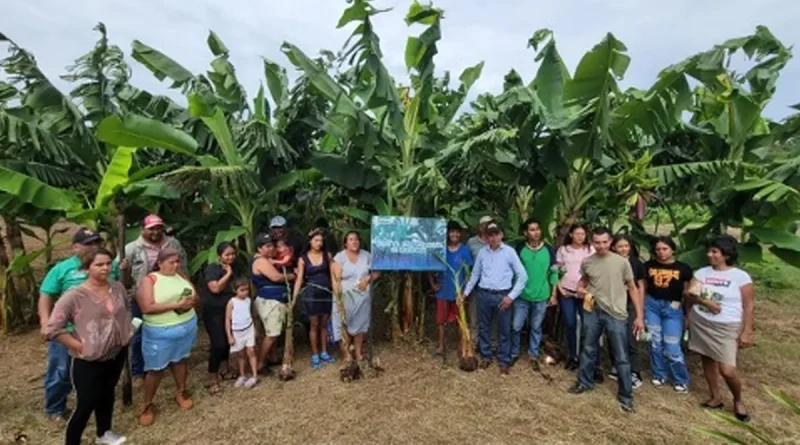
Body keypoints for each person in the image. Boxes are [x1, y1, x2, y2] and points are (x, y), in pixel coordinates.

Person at [46, 247, 132, 445]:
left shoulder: (117, 287)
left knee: (108, 392)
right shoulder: (74, 296)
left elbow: (124, 311)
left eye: (108, 264)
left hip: (116, 352)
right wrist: (78, 345)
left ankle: (104, 432)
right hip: (89, 359)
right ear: (86, 268)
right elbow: (53, 328)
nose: (105, 268)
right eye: (99, 265)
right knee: (86, 403)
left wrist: (127, 334)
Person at [38, 228, 119, 422]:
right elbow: (46, 294)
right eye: (88, 243)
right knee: (61, 370)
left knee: (97, 370)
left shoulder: (108, 265)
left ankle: (94, 404)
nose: (94, 247)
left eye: (97, 243)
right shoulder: (62, 268)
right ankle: (55, 409)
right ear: (75, 247)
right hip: (68, 331)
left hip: (100, 329)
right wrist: (45, 322)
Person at [568, 227, 644, 413]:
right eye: (597, 242)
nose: (601, 246)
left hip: (616, 313)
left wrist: (639, 315)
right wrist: (579, 287)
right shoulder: (588, 262)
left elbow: (633, 287)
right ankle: (585, 382)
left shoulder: (622, 262)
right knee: (588, 348)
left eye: (604, 242)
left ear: (610, 242)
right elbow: (584, 280)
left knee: (621, 356)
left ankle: (626, 396)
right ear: (592, 242)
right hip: (593, 310)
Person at [687, 235, 754, 422]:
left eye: (714, 252)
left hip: (727, 325)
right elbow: (691, 295)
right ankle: (715, 397)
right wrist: (703, 302)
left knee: (727, 370)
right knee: (707, 359)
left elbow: (749, 305)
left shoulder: (740, 277)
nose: (710, 255)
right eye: (709, 251)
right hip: (702, 321)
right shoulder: (702, 273)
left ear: (726, 255)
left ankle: (738, 400)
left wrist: (747, 330)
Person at [119, 214, 188, 386]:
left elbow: (183, 266)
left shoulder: (172, 243)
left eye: (158, 227)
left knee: (171, 329)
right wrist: (125, 270)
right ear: (142, 229)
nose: (156, 231)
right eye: (151, 228)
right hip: (140, 296)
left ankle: (168, 363)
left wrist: (187, 286)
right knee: (138, 334)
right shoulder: (131, 249)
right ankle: (137, 371)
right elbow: (122, 278)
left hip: (168, 294)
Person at [135, 248, 198, 426]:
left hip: (186, 325)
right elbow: (147, 307)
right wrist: (177, 304)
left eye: (177, 261)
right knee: (156, 369)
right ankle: (147, 404)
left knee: (181, 360)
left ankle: (180, 391)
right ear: (160, 263)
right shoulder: (150, 280)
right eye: (171, 262)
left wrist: (191, 302)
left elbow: (195, 295)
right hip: (160, 331)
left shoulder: (182, 276)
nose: (176, 265)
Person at [462, 220, 527, 375]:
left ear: (501, 235)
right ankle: (486, 356)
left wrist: (511, 296)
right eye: (490, 235)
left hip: (502, 296)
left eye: (496, 234)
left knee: (504, 329)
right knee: (483, 327)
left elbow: (522, 276)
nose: (493, 238)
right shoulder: (483, 253)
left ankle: (504, 361)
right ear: (486, 237)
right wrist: (465, 293)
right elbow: (475, 274)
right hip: (483, 294)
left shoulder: (509, 252)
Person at [643, 236, 693, 393]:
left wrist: (687, 314)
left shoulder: (683, 269)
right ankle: (659, 373)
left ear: (672, 249)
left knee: (672, 345)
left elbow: (687, 294)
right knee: (654, 342)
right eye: (658, 249)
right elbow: (643, 288)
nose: (661, 252)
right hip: (652, 305)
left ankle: (680, 378)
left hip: (673, 307)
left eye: (665, 249)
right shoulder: (648, 266)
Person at [511, 218, 558, 371]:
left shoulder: (549, 249)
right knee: (516, 326)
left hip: (542, 295)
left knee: (536, 327)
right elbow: (514, 272)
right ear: (525, 233)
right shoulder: (519, 249)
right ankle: (514, 352)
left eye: (537, 229)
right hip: (522, 295)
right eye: (531, 230)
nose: (535, 232)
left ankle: (533, 354)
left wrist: (553, 294)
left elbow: (554, 273)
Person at [331, 231, 380, 364]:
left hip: (362, 298)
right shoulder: (339, 257)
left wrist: (368, 278)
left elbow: (377, 271)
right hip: (344, 298)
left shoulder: (366, 255)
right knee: (343, 325)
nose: (354, 242)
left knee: (360, 326)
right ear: (345, 243)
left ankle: (359, 354)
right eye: (351, 240)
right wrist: (338, 299)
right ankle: (347, 355)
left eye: (356, 239)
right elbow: (335, 280)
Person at [251, 233, 296, 373]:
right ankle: (261, 363)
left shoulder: (267, 260)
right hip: (270, 301)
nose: (271, 248)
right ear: (259, 248)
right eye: (267, 246)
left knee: (273, 331)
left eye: (272, 245)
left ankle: (272, 357)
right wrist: (292, 276)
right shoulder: (261, 261)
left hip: (273, 300)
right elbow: (276, 278)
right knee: (272, 334)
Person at [428, 221, 473, 356]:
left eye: (457, 232)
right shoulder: (441, 249)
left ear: (460, 234)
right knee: (441, 321)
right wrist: (432, 284)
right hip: (442, 290)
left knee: (460, 320)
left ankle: (461, 346)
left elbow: (468, 273)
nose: (454, 234)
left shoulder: (464, 250)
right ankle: (441, 346)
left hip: (458, 292)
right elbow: (430, 267)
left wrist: (464, 291)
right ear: (447, 233)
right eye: (452, 232)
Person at [293, 229, 336, 369]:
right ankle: (315, 354)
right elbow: (299, 278)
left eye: (321, 241)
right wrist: (294, 297)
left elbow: (333, 275)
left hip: (326, 292)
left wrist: (336, 292)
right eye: (316, 240)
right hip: (311, 294)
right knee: (314, 325)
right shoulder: (303, 258)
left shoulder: (327, 255)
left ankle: (324, 351)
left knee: (324, 324)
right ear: (310, 242)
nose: (319, 243)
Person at [608, 234, 646, 388]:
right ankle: (616, 365)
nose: (623, 249)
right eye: (620, 246)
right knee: (612, 336)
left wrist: (639, 311)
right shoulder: (609, 262)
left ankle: (635, 371)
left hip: (630, 305)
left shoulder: (635, 263)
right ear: (613, 247)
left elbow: (640, 286)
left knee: (631, 339)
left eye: (626, 246)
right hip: (612, 304)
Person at [555, 224, 595, 371]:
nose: (580, 237)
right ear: (571, 234)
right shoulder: (563, 250)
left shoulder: (590, 250)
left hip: (585, 293)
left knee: (588, 326)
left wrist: (586, 289)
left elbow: (595, 271)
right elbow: (555, 270)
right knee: (570, 324)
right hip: (567, 292)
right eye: (577, 234)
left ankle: (589, 358)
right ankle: (573, 356)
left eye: (583, 234)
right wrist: (559, 287)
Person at [202, 242, 239, 395]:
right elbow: (215, 288)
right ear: (219, 256)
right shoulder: (212, 268)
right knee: (218, 344)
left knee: (227, 342)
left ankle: (225, 369)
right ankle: (212, 377)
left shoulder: (237, 267)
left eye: (233, 254)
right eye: (227, 254)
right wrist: (228, 274)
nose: (231, 257)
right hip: (214, 311)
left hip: (229, 310)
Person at [226, 277, 259, 389]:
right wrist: (229, 335)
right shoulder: (232, 302)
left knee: (251, 351)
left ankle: (254, 375)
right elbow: (227, 319)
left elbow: (252, 315)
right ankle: (242, 375)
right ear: (235, 290)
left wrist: (255, 330)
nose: (245, 292)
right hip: (237, 331)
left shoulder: (249, 300)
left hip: (249, 329)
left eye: (246, 290)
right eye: (242, 290)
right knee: (241, 354)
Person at [465, 216, 493, 344]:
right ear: (479, 227)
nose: (486, 227)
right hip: (475, 286)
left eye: (489, 224)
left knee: (491, 318)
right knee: (474, 317)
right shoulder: (472, 242)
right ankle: (474, 343)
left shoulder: (496, 241)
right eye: (484, 224)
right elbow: (467, 265)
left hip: (492, 287)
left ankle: (490, 344)